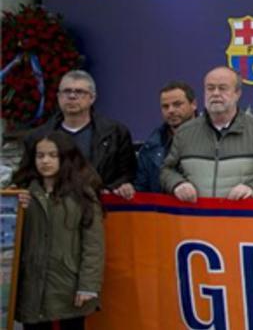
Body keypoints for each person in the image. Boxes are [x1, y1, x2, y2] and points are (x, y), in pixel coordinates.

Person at [12, 132, 104, 330]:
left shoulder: (83, 194)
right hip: (32, 285)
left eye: (53, 155)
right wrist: (16, 208)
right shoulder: (23, 192)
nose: (45, 161)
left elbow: (93, 245)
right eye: (40, 155)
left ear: (65, 157)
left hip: (68, 283)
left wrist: (88, 285)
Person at [159, 66, 253, 201]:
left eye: (222, 88)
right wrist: (178, 184)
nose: (215, 93)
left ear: (237, 93)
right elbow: (166, 170)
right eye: (210, 88)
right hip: (195, 218)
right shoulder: (185, 132)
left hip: (243, 218)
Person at [24, 70, 136, 199]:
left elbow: (127, 174)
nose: (72, 96)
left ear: (92, 98)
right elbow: (27, 176)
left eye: (79, 92)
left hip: (100, 206)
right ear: (59, 97)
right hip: (53, 208)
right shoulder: (38, 136)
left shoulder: (116, 133)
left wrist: (109, 190)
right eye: (66, 91)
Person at [134, 81, 198, 193]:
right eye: (165, 106)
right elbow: (141, 192)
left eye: (177, 104)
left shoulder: (213, 138)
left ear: (193, 104)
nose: (171, 110)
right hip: (163, 210)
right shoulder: (151, 146)